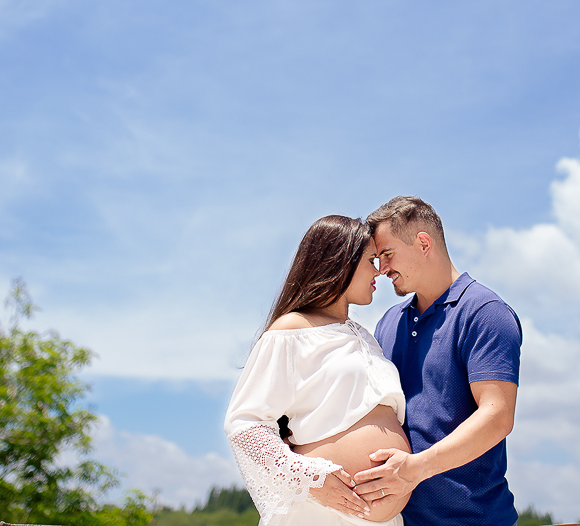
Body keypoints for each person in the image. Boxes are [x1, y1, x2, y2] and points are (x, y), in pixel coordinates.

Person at [224, 215, 412, 526]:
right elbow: (245, 423)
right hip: (319, 515)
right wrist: (309, 478)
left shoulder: (365, 336)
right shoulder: (291, 330)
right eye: (370, 260)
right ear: (341, 262)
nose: (378, 271)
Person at [352, 196, 522, 526]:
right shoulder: (388, 323)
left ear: (423, 243)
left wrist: (415, 469)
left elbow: (498, 415)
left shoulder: (485, 314)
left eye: (387, 254)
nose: (382, 268)